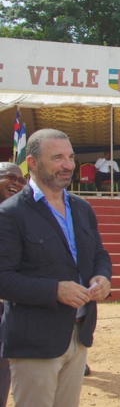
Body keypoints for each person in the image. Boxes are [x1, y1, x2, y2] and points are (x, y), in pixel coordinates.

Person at [0, 129, 112, 407]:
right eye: (58, 157)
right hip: (35, 341)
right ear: (33, 163)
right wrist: (55, 290)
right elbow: (3, 278)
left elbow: (99, 254)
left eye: (71, 157)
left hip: (79, 335)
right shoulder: (11, 213)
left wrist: (103, 276)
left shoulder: (83, 208)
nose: (68, 165)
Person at [0, 163, 27, 407]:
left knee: (3, 364)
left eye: (21, 181)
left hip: (8, 303)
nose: (17, 183)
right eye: (10, 177)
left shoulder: (21, 216)